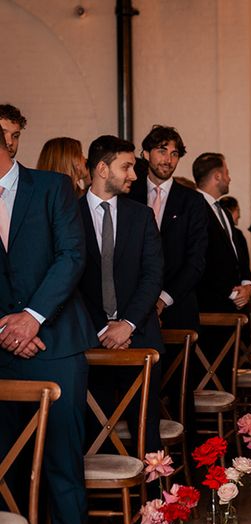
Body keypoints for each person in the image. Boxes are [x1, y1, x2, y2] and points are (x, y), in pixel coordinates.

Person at [0, 123, 95, 524]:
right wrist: (6, 330)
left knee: (62, 466)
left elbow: (72, 255)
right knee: (6, 469)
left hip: (55, 344)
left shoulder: (51, 187)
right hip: (2, 349)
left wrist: (31, 318)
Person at [78, 135, 164, 453]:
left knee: (145, 434)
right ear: (102, 168)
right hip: (88, 340)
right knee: (91, 436)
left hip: (139, 337)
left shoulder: (141, 216)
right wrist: (102, 327)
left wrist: (126, 324)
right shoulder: (68, 214)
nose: (133, 175)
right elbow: (71, 282)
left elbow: (153, 276)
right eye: (126, 167)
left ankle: (152, 502)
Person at [128, 125, 208, 331]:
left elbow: (196, 260)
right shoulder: (127, 195)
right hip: (130, 306)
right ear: (146, 154)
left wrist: (163, 299)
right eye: (162, 151)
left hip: (177, 306)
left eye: (174, 154)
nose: (168, 160)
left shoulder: (192, 201)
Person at [193, 152, 251, 312]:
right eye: (227, 173)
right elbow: (200, 259)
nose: (229, 178)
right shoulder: (193, 209)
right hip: (210, 305)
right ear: (218, 176)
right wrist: (230, 293)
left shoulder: (224, 212)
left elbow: (236, 254)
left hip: (234, 305)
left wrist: (247, 285)